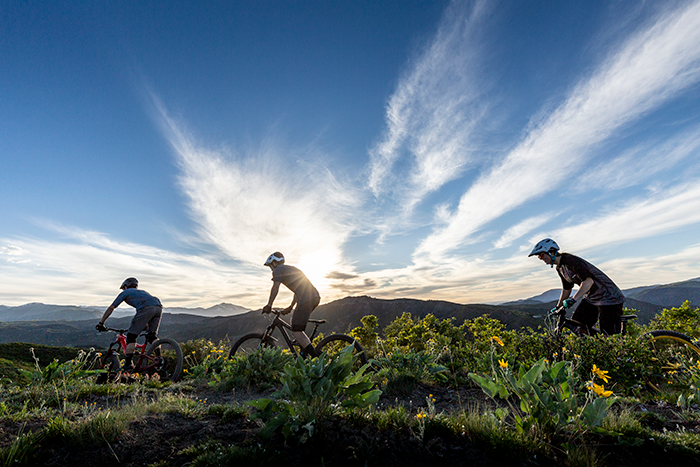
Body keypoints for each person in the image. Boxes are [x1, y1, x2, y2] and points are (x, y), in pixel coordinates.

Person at [529, 239, 625, 335]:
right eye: (539, 257)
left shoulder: (569, 260)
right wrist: (558, 306)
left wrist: (573, 300)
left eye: (541, 255)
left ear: (551, 252)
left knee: (609, 335)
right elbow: (567, 289)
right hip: (592, 298)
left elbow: (588, 281)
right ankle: (595, 342)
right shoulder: (560, 268)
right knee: (577, 325)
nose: (541, 258)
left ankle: (606, 343)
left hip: (610, 297)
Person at [96, 277, 163, 372]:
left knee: (131, 337)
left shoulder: (125, 293)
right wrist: (146, 325)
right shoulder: (143, 292)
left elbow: (111, 307)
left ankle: (128, 365)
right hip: (158, 306)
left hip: (146, 308)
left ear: (126, 286)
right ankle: (159, 358)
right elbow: (149, 309)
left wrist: (101, 323)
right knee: (151, 336)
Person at [262, 252, 321, 357]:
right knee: (295, 324)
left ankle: (316, 358)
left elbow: (275, 287)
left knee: (296, 331)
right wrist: (290, 307)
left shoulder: (278, 270)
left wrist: (269, 305)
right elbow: (298, 289)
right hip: (313, 297)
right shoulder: (290, 269)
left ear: (275, 263)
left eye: (271, 265)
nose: (271, 269)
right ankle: (304, 353)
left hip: (306, 299)